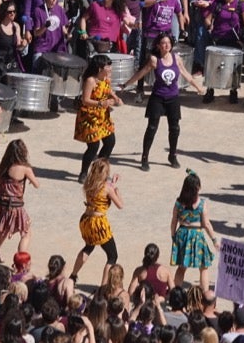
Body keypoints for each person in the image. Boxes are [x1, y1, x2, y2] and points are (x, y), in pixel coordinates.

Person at [122, 33, 205, 172]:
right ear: (158, 45)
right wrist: (127, 84)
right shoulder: (154, 60)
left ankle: (172, 155)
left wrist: (198, 87)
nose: (167, 45)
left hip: (173, 98)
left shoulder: (176, 58)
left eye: (168, 43)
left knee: (175, 128)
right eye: (163, 43)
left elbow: (185, 74)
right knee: (152, 128)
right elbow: (141, 73)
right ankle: (145, 157)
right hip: (158, 98)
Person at [70, 159, 124, 285]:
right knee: (112, 256)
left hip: (86, 220)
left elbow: (102, 185)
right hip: (99, 224)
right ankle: (103, 287)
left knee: (88, 247)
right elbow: (120, 205)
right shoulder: (107, 188)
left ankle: (73, 275)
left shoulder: (89, 183)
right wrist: (116, 190)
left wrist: (111, 182)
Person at [0, 139, 41, 264]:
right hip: (15, 205)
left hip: (1, 203)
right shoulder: (25, 168)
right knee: (26, 233)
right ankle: (20, 262)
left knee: (4, 229)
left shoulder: (4, 166)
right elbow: (37, 184)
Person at [73, 55, 121, 182]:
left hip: (103, 116)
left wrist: (115, 97)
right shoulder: (90, 80)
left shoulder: (106, 78)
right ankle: (83, 172)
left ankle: (98, 171)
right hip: (89, 117)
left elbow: (108, 90)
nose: (110, 68)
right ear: (100, 68)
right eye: (108, 66)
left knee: (110, 142)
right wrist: (101, 104)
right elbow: (85, 100)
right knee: (93, 146)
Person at [170, 171, 219, 292]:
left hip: (182, 234)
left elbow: (174, 221)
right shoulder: (202, 204)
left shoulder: (178, 202)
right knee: (203, 267)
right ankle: (205, 295)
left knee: (181, 267)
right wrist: (214, 240)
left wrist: (173, 236)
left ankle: (176, 294)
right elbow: (206, 224)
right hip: (196, 235)